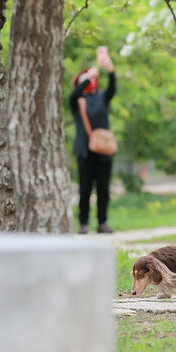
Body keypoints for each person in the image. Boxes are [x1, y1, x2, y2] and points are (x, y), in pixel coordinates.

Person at [69, 48, 116, 234]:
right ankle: (83, 223)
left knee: (103, 189)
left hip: (103, 151)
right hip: (84, 151)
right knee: (85, 189)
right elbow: (73, 95)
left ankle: (102, 223)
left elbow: (112, 89)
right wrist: (87, 78)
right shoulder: (77, 101)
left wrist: (110, 71)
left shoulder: (101, 97)